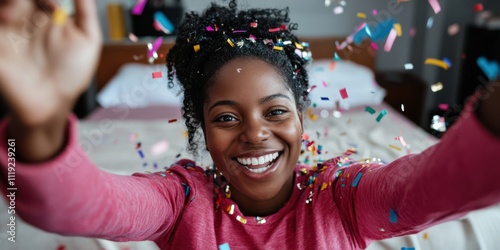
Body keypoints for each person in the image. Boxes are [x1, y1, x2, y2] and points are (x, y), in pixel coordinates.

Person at [0, 0, 499, 249]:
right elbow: (87, 204)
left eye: (276, 111)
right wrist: (39, 123)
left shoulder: (345, 196)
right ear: (199, 130)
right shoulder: (180, 203)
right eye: (226, 118)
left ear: (303, 118)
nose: (255, 133)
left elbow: (432, 186)